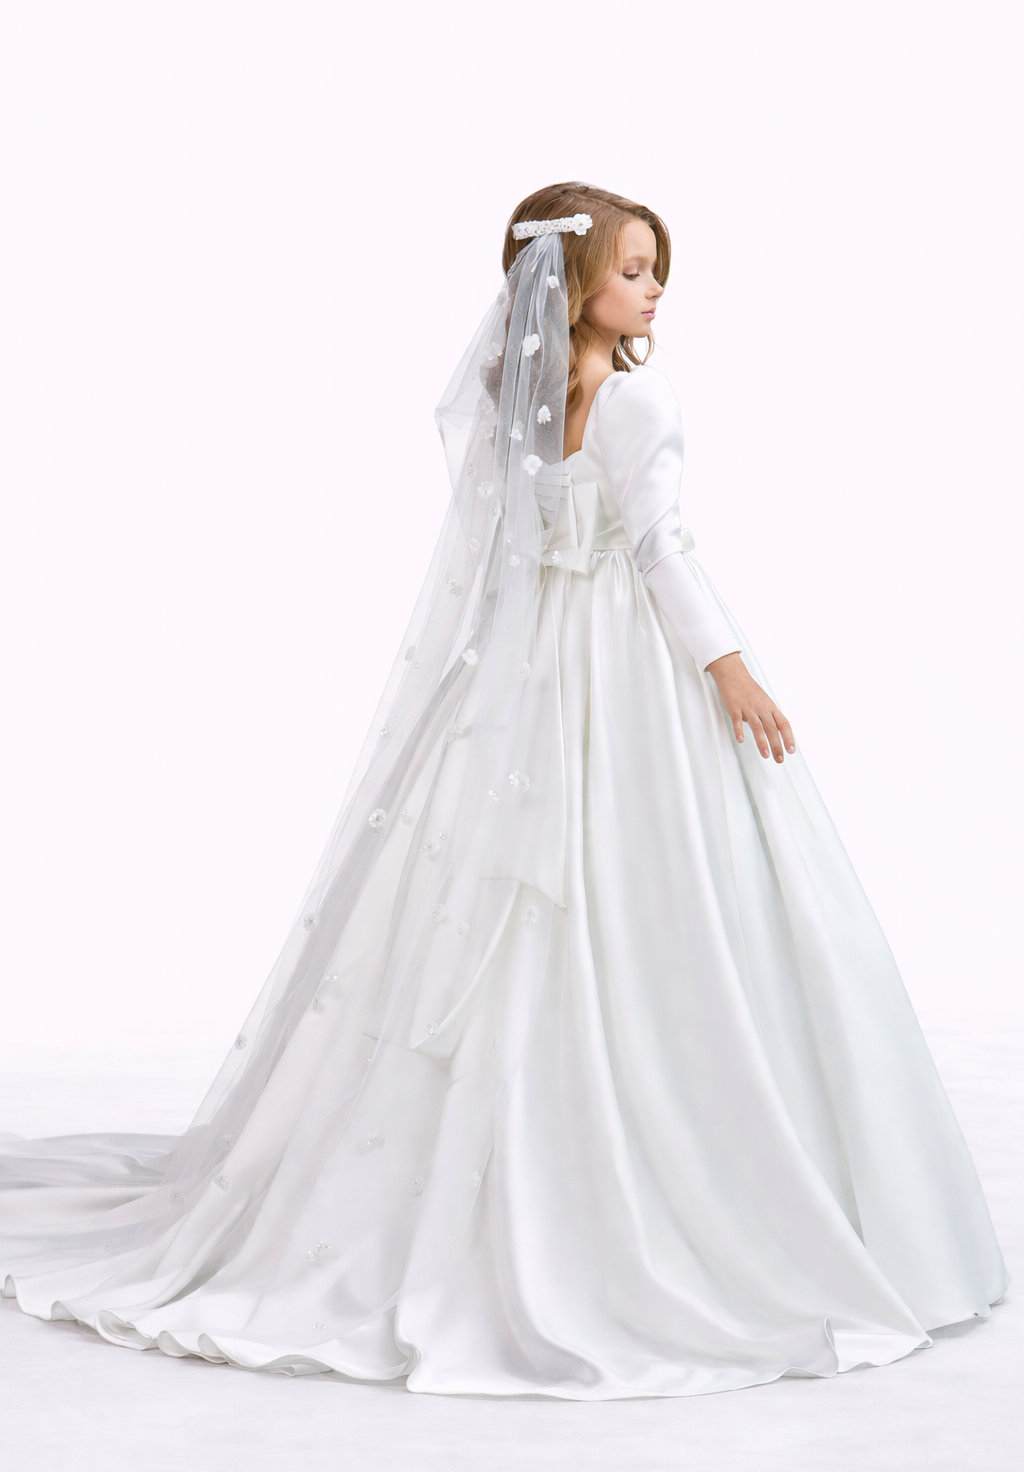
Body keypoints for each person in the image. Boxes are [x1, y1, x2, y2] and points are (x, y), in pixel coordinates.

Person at [0, 183, 1007, 1399]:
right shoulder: (632, 400)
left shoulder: (522, 398)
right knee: (646, 894)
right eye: (631, 269)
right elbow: (660, 547)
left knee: (543, 901)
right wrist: (729, 668)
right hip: (624, 669)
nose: (654, 290)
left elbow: (525, 552)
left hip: (531, 678)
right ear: (570, 283)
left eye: (656, 269)